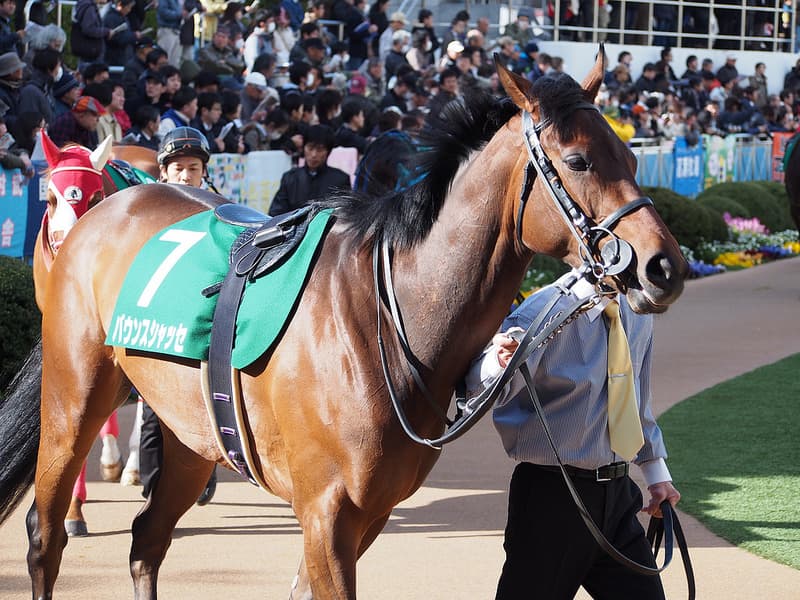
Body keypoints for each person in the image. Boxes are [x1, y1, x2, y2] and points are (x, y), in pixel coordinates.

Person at [466, 269, 681, 600]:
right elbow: (475, 391)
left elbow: (637, 397)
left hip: (618, 498)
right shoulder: (544, 310)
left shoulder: (637, 311)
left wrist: (656, 474)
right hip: (552, 500)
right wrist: (498, 361)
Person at [139, 126, 218, 505]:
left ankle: (204, 472)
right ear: (163, 172)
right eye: (178, 168)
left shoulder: (221, 210)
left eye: (193, 168)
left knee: (209, 402)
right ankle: (153, 491)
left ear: (204, 172)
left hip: (203, 322)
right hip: (158, 323)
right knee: (154, 410)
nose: (186, 176)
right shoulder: (145, 210)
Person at [269, 124, 350, 215]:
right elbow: (276, 213)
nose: (313, 155)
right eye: (310, 148)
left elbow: (345, 214)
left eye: (319, 150)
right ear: (304, 148)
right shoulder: (290, 178)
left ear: (328, 152)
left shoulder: (340, 180)